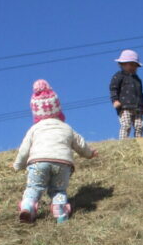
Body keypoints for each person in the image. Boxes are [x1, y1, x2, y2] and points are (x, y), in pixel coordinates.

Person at [13, 85, 97, 223]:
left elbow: (24, 149)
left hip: (38, 163)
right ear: (58, 109)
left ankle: (28, 206)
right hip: (63, 164)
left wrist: (17, 165)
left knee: (34, 187)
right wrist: (89, 154)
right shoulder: (66, 127)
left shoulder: (35, 129)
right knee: (58, 190)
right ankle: (60, 212)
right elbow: (80, 143)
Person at [109, 49, 143, 139]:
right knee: (126, 125)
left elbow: (141, 94)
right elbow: (113, 88)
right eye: (130, 64)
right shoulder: (118, 76)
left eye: (135, 65)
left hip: (138, 107)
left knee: (139, 126)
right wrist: (115, 100)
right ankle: (123, 142)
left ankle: (139, 142)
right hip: (124, 106)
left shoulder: (137, 79)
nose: (133, 67)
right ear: (122, 64)